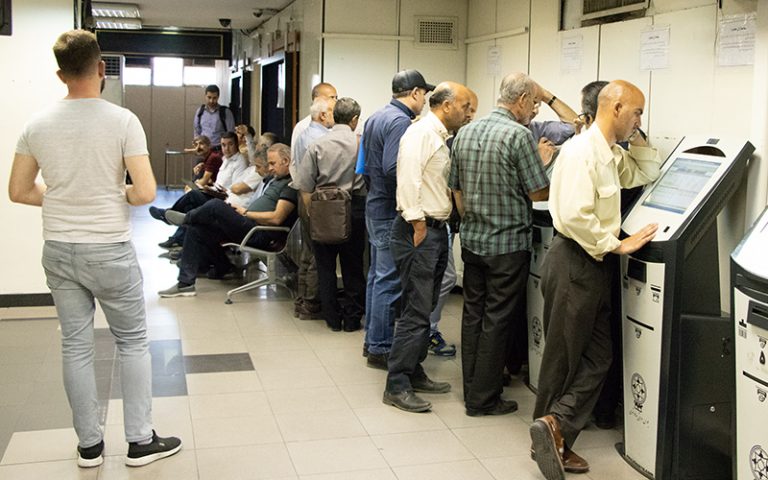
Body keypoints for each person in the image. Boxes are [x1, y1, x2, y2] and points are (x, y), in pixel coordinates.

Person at [8, 29, 181, 468]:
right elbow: (145, 192)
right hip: (108, 249)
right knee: (132, 342)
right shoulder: (122, 121)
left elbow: (19, 191)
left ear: (60, 74)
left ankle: (89, 446)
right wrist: (110, 195)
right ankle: (139, 441)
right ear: (102, 68)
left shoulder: (37, 124)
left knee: (75, 346)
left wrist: (66, 197)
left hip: (59, 249)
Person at [530, 80, 661, 480]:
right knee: (562, 359)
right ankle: (549, 443)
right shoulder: (581, 152)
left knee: (599, 357)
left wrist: (636, 136)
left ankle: (555, 426)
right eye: (636, 113)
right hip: (574, 260)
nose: (639, 120)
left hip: (593, 264)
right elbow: (574, 215)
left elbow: (646, 170)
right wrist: (617, 244)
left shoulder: (609, 153)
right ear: (615, 107)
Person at [450, 72, 550, 417]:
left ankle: (472, 388)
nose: (534, 110)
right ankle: (484, 399)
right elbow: (538, 193)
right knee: (497, 320)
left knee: (473, 315)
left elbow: (456, 187)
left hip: (473, 240)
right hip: (507, 245)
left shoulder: (465, 132)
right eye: (534, 103)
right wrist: (544, 163)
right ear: (521, 100)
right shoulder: (519, 136)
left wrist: (471, 219)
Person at [382, 82, 473, 413]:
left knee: (425, 306)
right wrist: (417, 223)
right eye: (465, 106)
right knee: (416, 310)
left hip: (434, 229)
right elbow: (408, 179)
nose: (469, 114)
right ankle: (397, 384)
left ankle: (413, 370)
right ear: (446, 105)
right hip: (417, 231)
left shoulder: (438, 135)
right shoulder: (421, 133)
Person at [362, 69, 435, 370]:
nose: (425, 101)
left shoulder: (375, 117)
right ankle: (380, 347)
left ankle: (372, 340)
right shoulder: (400, 122)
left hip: (374, 205)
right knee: (389, 280)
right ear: (415, 93)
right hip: (389, 211)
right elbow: (393, 167)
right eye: (424, 95)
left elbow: (366, 167)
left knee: (376, 277)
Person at [158, 143, 298, 297]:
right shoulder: (275, 179)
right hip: (249, 225)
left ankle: (186, 219)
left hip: (259, 233)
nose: (270, 168)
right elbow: (258, 167)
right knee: (197, 229)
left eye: (272, 163)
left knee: (216, 206)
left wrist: (246, 213)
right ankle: (186, 284)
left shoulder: (290, 186)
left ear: (286, 161)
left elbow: (277, 218)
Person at [292, 97, 367, 332]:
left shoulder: (317, 145)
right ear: (354, 119)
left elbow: (305, 187)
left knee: (325, 267)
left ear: (334, 117)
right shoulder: (361, 144)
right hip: (354, 208)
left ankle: (332, 319)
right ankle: (352, 319)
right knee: (353, 266)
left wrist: (313, 214)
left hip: (323, 209)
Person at [427, 88, 478, 357]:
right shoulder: (435, 138)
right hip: (434, 221)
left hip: (444, 221)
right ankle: (428, 331)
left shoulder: (451, 137)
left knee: (442, 278)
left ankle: (426, 330)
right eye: (466, 108)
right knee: (443, 278)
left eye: (472, 110)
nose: (469, 115)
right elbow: (453, 187)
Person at [291, 97, 336, 319]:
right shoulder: (320, 139)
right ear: (323, 115)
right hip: (315, 199)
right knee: (318, 254)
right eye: (333, 111)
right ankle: (311, 303)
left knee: (308, 251)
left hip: (304, 196)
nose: (336, 116)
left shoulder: (304, 134)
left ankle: (302, 300)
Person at [290, 82, 338, 149]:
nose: (336, 101)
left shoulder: (333, 125)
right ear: (317, 98)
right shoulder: (302, 127)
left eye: (336, 97)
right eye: (332, 97)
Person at [193, 84, 235, 149]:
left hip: (219, 149)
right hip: (203, 149)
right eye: (209, 97)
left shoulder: (226, 112)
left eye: (214, 98)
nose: (211, 101)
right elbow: (197, 131)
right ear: (205, 96)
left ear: (218, 97)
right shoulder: (200, 111)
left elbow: (231, 133)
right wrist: (197, 146)